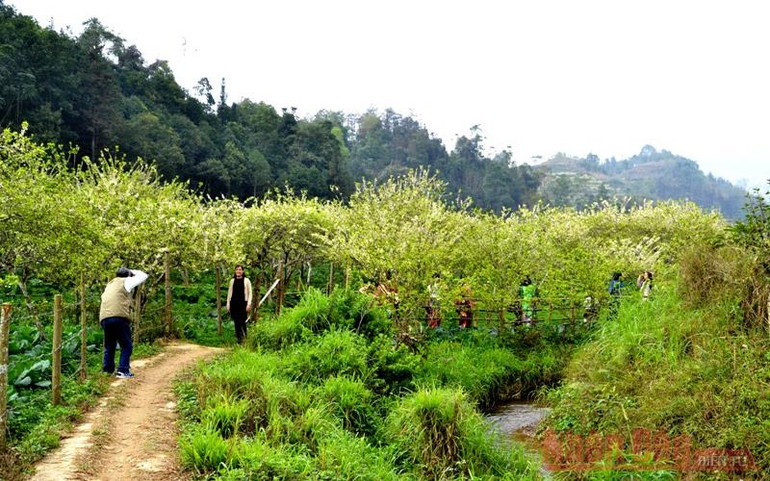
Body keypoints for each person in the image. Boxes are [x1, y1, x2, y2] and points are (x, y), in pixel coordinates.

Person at [99, 266, 148, 378]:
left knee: (110, 345)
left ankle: (107, 370)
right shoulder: (126, 281)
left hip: (105, 317)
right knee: (126, 345)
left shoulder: (110, 284)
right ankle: (123, 370)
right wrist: (132, 271)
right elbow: (144, 276)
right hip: (119, 316)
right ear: (127, 275)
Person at [227, 264, 252, 344]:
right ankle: (239, 340)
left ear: (242, 271)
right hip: (234, 304)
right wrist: (228, 304)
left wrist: (249, 303)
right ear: (235, 271)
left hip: (243, 303)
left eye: (240, 269)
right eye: (237, 269)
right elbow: (229, 293)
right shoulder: (232, 281)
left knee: (242, 321)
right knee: (236, 322)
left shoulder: (246, 280)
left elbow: (250, 293)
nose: (238, 271)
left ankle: (244, 338)